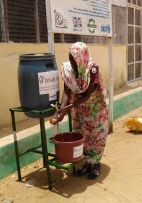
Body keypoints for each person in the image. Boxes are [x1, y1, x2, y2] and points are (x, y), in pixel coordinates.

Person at [50, 42, 109, 180]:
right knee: (82, 135)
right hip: (80, 109)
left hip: (95, 108)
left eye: (75, 58)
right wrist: (61, 112)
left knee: (96, 135)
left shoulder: (92, 69)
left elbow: (88, 95)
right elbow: (66, 92)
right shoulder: (68, 70)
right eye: (70, 57)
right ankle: (87, 164)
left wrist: (70, 106)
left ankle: (96, 164)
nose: (72, 61)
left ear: (82, 57)